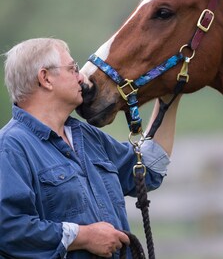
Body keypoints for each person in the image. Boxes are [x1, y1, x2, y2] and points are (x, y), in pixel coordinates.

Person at [0, 38, 181, 259]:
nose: (82, 78)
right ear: (45, 78)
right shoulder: (10, 147)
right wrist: (84, 237)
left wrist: (170, 95)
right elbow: (8, 228)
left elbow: (148, 170)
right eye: (73, 69)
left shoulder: (86, 136)